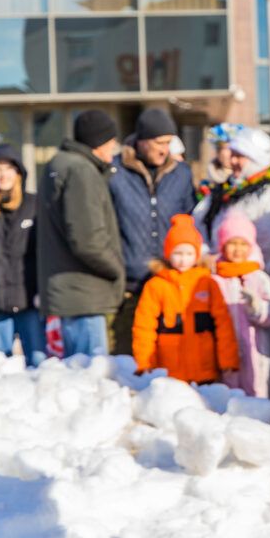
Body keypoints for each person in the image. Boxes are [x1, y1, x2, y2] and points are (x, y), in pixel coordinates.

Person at [193, 126, 270, 403]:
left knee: (263, 360)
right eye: (233, 154)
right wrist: (205, 255)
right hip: (220, 286)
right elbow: (197, 227)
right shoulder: (224, 192)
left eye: (241, 156)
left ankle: (268, 410)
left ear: (256, 160)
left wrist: (248, 276)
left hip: (258, 292)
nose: (233, 161)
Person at [37, 110, 125, 357]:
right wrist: (116, 269)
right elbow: (87, 239)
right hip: (83, 295)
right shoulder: (81, 171)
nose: (114, 148)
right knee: (88, 377)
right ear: (98, 143)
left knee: (73, 379)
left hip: (67, 290)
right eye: (111, 142)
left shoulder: (59, 164)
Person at [108, 109, 196, 356]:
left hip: (171, 284)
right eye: (159, 143)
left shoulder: (181, 174)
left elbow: (188, 223)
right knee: (131, 362)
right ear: (142, 140)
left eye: (169, 143)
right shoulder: (115, 173)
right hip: (130, 285)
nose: (164, 149)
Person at [133, 214, 238, 383]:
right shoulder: (156, 285)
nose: (183, 259)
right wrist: (145, 362)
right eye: (178, 253)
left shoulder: (207, 283)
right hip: (169, 366)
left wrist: (227, 359)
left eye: (189, 253)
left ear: (196, 255)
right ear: (168, 253)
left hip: (204, 366)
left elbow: (223, 324)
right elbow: (144, 326)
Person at [212, 210, 270, 399]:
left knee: (256, 392)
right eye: (232, 243)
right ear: (223, 245)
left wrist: (256, 307)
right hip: (224, 352)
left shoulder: (259, 277)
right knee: (227, 395)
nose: (238, 249)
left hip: (255, 350)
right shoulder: (215, 280)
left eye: (243, 244)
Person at [0, 144, 43, 366]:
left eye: (8, 168)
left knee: (39, 363)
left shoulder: (34, 205)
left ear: (18, 172)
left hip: (28, 300)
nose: (3, 175)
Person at [198, 123, 242, 198]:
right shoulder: (206, 186)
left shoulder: (247, 179)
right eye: (228, 148)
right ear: (218, 152)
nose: (233, 153)